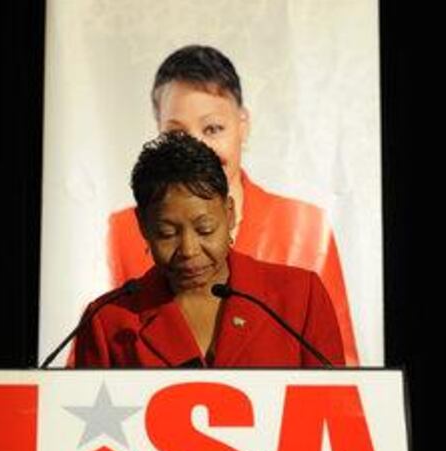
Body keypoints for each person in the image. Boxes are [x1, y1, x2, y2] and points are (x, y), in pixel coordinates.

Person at [108, 45, 359, 365]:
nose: (198, 147)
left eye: (213, 128)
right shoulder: (123, 230)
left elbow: (343, 377)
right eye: (176, 133)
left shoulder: (305, 226)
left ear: (243, 124)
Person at [75, 132, 344, 368]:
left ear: (229, 214)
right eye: (167, 233)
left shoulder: (300, 297)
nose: (189, 250)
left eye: (204, 229)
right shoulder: (107, 321)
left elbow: (335, 410)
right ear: (143, 226)